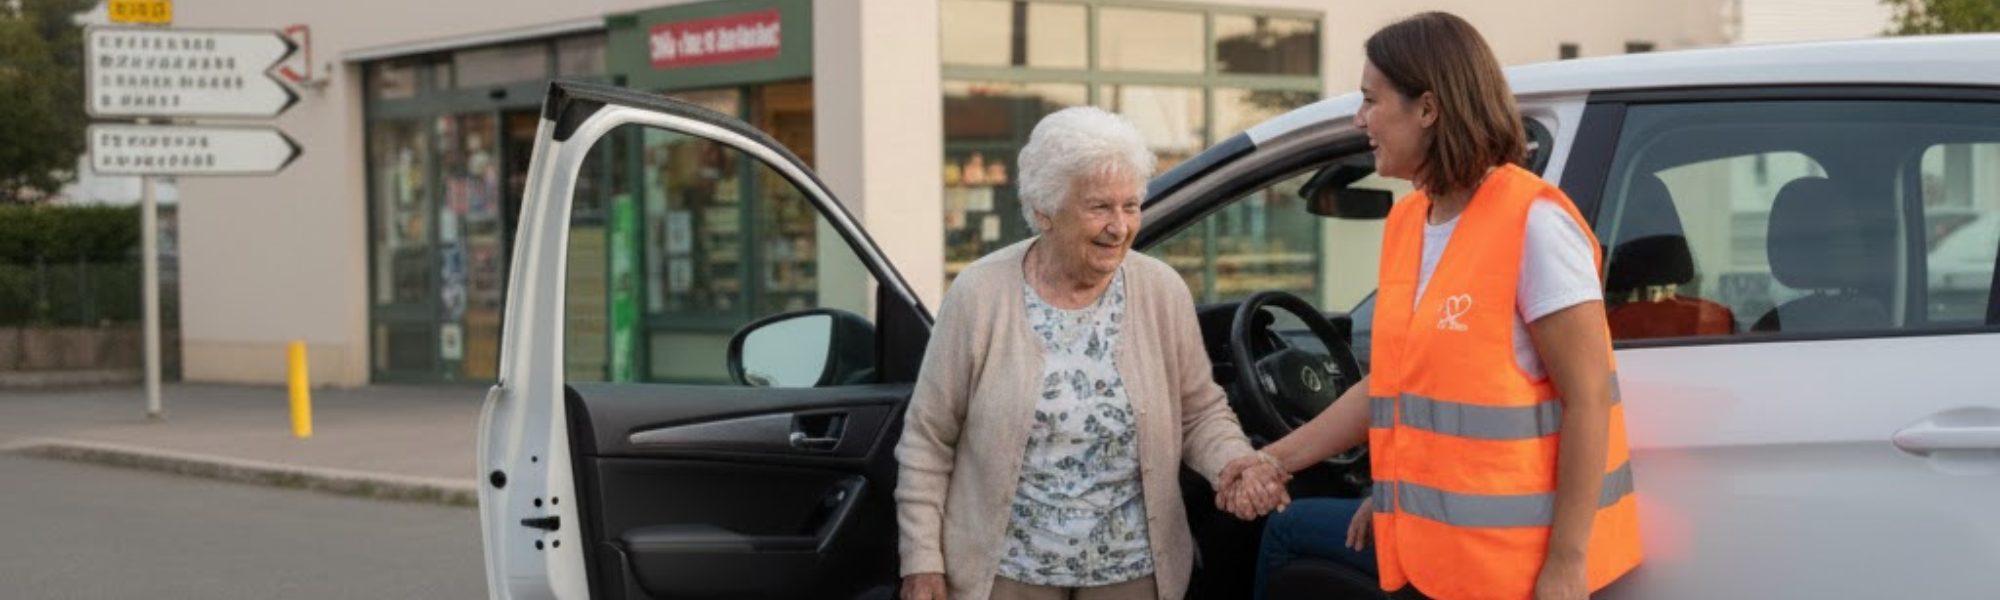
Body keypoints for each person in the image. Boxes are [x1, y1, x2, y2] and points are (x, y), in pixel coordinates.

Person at [1220, 12, 1643, 600]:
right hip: (1427, 553)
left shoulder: (1535, 224)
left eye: (1371, 100)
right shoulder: (1408, 224)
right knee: (1292, 531)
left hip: (1507, 570)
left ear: (1428, 108)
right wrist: (1275, 459)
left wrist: (1568, 564)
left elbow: (1588, 399)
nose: (1359, 120)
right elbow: (1390, 387)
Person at [896, 106, 1289, 600]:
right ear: (1044, 211)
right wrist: (922, 561)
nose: (1120, 227)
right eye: (1100, 207)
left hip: (1132, 568)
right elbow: (927, 438)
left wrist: (1236, 463)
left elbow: (1199, 413)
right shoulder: (979, 294)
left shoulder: (1161, 290)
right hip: (1007, 571)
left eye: (1131, 206)